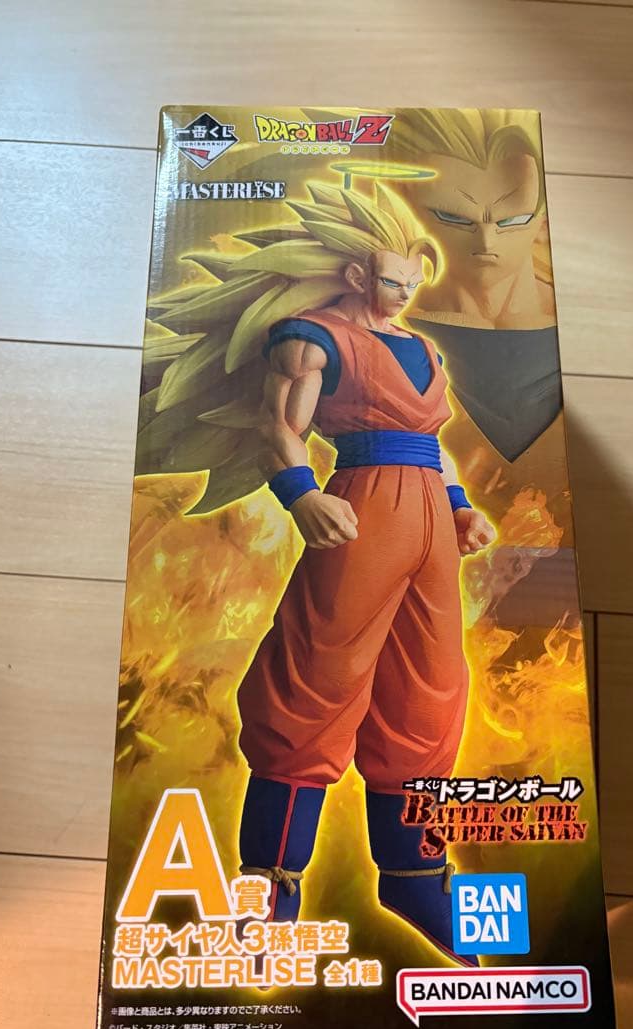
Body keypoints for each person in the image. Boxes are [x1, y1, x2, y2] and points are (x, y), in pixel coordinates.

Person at [233, 184, 495, 967]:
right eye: (391, 280)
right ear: (355, 275)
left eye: (412, 281)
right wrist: (301, 494)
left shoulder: (424, 350)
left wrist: (460, 508)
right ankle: (271, 882)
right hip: (362, 510)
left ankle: (414, 876)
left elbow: (433, 443)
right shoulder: (313, 339)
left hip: (429, 521)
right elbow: (278, 427)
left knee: (430, 689)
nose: (404, 293)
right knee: (316, 679)